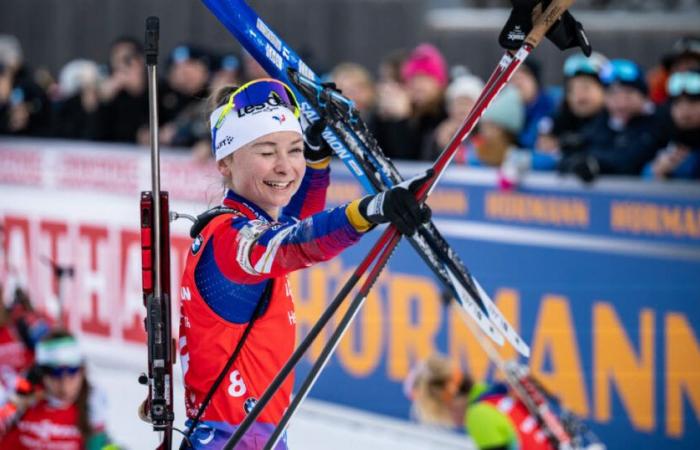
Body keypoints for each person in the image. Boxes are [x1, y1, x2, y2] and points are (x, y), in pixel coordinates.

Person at [177, 78, 432, 449]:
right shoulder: (228, 237)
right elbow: (292, 243)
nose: (284, 167)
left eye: (292, 150)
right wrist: (370, 209)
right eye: (266, 152)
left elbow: (293, 224)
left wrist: (315, 157)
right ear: (226, 163)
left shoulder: (242, 222)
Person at [405, 354, 555, 450]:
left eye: (439, 414)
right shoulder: (495, 394)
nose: (451, 422)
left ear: (446, 402)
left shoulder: (478, 416)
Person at [0, 330, 115, 449]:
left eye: (72, 371)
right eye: (56, 373)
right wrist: (15, 402)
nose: (65, 384)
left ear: (82, 371)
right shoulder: (22, 400)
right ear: (41, 373)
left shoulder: (92, 406)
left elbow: (104, 446)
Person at [559, 59, 659, 181]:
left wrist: (595, 163)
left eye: (628, 94)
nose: (621, 103)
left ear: (643, 96)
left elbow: (629, 160)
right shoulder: (602, 121)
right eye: (613, 94)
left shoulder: (656, 123)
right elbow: (569, 158)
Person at [374, 43, 448, 161]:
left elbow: (415, 159)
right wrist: (383, 118)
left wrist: (402, 120)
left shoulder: (446, 113)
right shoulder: (409, 109)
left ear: (439, 82)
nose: (418, 85)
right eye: (413, 78)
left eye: (425, 78)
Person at [536, 52, 611, 158]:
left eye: (586, 87)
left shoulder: (615, 122)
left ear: (605, 91)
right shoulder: (558, 119)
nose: (578, 95)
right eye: (572, 89)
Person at [643, 70, 700, 180]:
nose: (684, 109)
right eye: (677, 102)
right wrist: (657, 171)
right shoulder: (659, 135)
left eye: (693, 101)